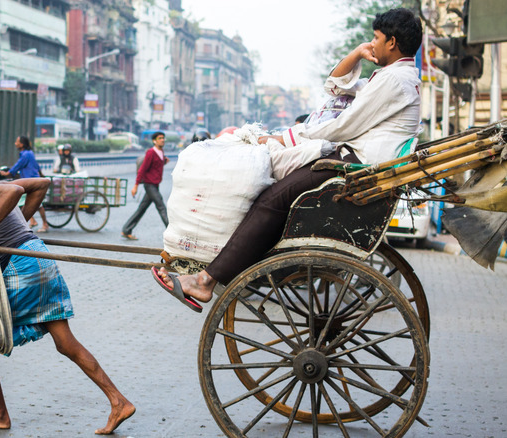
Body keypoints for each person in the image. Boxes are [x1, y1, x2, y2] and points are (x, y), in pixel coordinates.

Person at [153, 8, 423, 309]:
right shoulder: (397, 77)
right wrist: (358, 53)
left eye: (376, 38)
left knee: (271, 200)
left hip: (352, 163)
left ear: (392, 42)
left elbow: (345, 125)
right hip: (357, 159)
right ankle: (228, 263)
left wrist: (288, 137)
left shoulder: (394, 80)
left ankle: (205, 280)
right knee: (276, 192)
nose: (372, 43)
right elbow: (336, 87)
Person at [0, 152, 134, 434]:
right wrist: (16, 224)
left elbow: (15, 190)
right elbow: (41, 183)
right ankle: (119, 401)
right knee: (66, 344)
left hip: (24, 266)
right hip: (39, 256)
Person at [121, 131, 169, 240]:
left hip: (155, 185)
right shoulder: (151, 152)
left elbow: (156, 166)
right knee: (161, 207)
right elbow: (142, 169)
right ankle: (172, 233)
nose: (162, 140)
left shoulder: (161, 152)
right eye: (160, 138)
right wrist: (136, 185)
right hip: (149, 185)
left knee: (141, 209)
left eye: (163, 138)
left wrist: (164, 161)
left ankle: (126, 229)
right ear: (154, 141)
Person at [0, 135, 49, 232]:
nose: (15, 143)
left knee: (37, 204)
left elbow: (17, 166)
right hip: (32, 180)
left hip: (31, 181)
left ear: (22, 144)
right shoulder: (29, 153)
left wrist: (7, 173)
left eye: (17, 142)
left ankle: (45, 224)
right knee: (22, 202)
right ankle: (33, 221)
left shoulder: (25, 155)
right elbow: (36, 166)